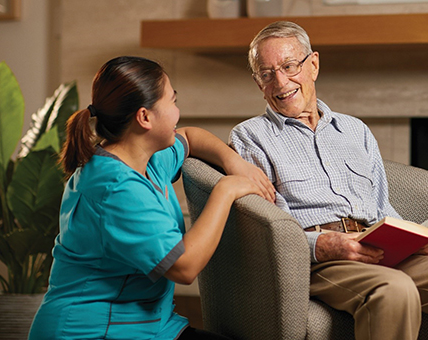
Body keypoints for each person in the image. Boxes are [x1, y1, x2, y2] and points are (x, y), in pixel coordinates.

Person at [229, 21, 428, 340]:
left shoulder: (355, 130)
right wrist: (324, 245)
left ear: (314, 64)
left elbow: (380, 205)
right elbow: (265, 225)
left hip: (376, 246)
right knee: (394, 289)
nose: (281, 81)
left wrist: (414, 237)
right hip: (320, 260)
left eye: (290, 66)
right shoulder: (250, 138)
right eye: (267, 74)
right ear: (258, 82)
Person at [29, 56, 275, 340]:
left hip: (153, 327)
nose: (177, 112)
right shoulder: (116, 188)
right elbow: (185, 267)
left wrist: (234, 162)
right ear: (144, 117)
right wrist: (226, 189)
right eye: (172, 101)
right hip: (91, 332)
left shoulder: (146, 157)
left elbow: (191, 137)